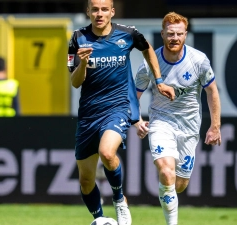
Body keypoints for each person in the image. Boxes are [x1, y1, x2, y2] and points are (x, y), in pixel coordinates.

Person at [67, 0, 175, 224]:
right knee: (86, 182)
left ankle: (119, 199)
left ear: (112, 12)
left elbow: (148, 51)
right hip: (88, 114)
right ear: (87, 12)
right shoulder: (77, 39)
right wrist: (83, 64)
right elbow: (75, 83)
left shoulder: (128, 34)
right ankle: (101, 220)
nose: (99, 14)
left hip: (117, 108)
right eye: (95, 9)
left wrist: (159, 81)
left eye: (104, 9)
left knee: (107, 153)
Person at [134, 12, 222, 225]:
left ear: (185, 35)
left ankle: (168, 194)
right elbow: (133, 96)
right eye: (170, 33)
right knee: (166, 172)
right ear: (162, 34)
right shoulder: (149, 64)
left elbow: (212, 92)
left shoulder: (198, 61)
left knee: (179, 184)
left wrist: (215, 126)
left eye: (179, 34)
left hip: (189, 127)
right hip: (161, 122)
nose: (175, 38)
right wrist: (136, 120)